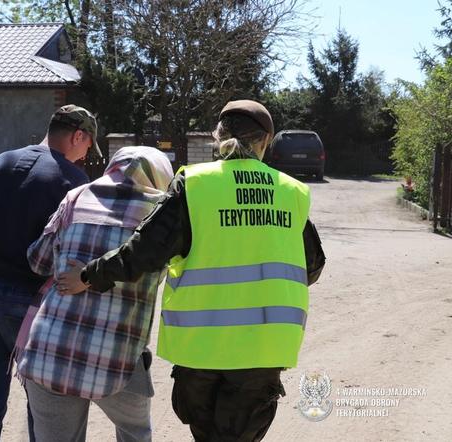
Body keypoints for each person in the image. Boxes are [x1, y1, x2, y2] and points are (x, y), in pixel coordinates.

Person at [58, 100, 326, 441]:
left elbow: (144, 252)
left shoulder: (195, 185)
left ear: (218, 137)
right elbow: (312, 267)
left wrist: (87, 276)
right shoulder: (291, 193)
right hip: (262, 351)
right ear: (266, 140)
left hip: (201, 351)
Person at [0, 104, 101, 442]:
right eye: (85, 148)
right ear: (78, 136)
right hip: (28, 304)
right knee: (40, 403)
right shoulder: (73, 182)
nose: (83, 157)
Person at [17, 146, 174, 442]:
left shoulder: (76, 197)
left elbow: (38, 262)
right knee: (136, 434)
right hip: (118, 361)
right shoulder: (163, 212)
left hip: (50, 353)